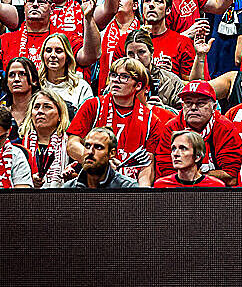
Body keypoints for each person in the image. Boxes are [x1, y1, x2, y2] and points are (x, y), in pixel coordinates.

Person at [66, 57, 163, 185]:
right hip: (94, 181)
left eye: (124, 77)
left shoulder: (152, 120)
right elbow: (72, 145)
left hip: (129, 184)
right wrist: (99, 160)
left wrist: (141, 193)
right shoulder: (93, 105)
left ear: (138, 85)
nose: (116, 80)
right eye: (113, 75)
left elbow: (147, 165)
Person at [156, 80, 242, 185]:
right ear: (182, 106)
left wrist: (196, 175)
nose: (193, 108)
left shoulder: (225, 128)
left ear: (214, 107)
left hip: (215, 191)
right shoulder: (171, 128)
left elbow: (231, 176)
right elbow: (165, 170)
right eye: (188, 102)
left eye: (200, 103)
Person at [17, 89, 74, 188]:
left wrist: (71, 177)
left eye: (47, 107)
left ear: (60, 115)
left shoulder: (71, 146)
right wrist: (27, 181)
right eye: (36, 107)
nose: (40, 111)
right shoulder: (19, 145)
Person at [65, 127, 138, 188]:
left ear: (111, 153)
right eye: (87, 146)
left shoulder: (128, 188)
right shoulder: (69, 188)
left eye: (98, 147)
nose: (90, 152)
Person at [38, 33, 94, 110]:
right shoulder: (35, 85)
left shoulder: (81, 87)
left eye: (58, 51)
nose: (53, 55)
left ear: (67, 56)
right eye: (48, 50)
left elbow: (87, 118)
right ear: (43, 55)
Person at [154, 130, 227, 188]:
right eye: (173, 149)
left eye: (183, 148)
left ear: (197, 156)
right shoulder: (161, 185)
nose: (175, 154)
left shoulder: (215, 186)